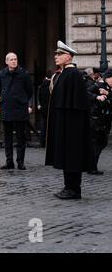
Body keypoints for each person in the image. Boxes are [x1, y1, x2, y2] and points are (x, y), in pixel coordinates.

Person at [45, 41, 93, 199]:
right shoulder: (64, 74)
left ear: (68, 57)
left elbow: (77, 103)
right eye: (56, 54)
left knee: (72, 156)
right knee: (67, 156)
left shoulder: (73, 75)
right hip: (65, 123)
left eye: (59, 54)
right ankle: (68, 187)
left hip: (72, 126)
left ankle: (73, 189)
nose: (56, 57)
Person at [0, 52, 33, 170]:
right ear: (6, 61)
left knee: (20, 137)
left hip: (20, 109)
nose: (14, 61)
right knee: (7, 138)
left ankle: (20, 161)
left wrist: (22, 101)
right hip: (6, 108)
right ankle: (9, 161)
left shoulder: (24, 74)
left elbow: (29, 91)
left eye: (15, 59)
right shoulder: (1, 74)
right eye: (11, 59)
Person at [86, 69, 112, 175]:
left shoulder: (109, 89)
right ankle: (91, 167)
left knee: (101, 143)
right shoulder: (98, 85)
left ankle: (91, 165)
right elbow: (85, 93)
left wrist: (108, 94)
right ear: (107, 78)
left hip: (105, 121)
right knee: (97, 143)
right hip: (96, 119)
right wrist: (97, 96)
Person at [37, 71, 52, 147]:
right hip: (50, 108)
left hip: (43, 107)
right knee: (50, 126)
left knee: (43, 126)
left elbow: (39, 96)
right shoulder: (52, 85)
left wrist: (39, 104)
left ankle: (41, 142)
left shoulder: (41, 86)